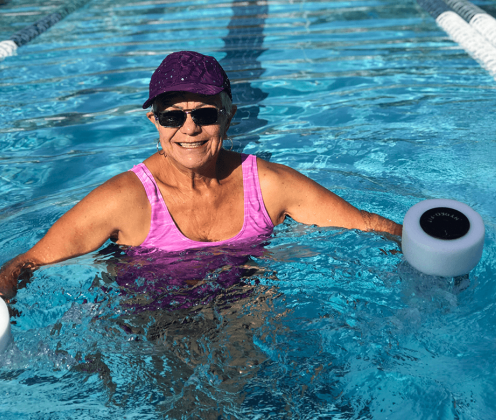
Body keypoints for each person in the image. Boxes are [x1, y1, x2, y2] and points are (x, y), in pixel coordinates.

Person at [0, 51, 402, 300]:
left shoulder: (267, 184)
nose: (189, 129)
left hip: (245, 309)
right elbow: (27, 264)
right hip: (151, 324)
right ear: (153, 121)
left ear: (229, 115)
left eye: (205, 114)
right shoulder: (124, 199)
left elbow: (367, 225)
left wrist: (431, 248)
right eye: (172, 116)